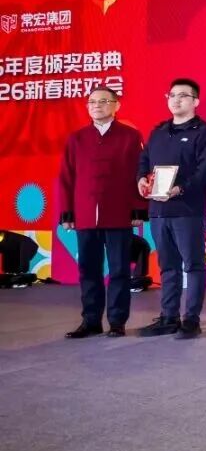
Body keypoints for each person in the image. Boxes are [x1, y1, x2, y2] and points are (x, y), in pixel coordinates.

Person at [59, 87, 147, 338]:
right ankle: (90, 321)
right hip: (85, 215)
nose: (97, 105)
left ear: (116, 106)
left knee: (119, 270)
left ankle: (117, 321)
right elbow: (66, 177)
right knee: (88, 269)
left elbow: (139, 174)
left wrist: (138, 208)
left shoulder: (130, 137)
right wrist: (67, 212)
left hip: (119, 214)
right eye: (92, 102)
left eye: (104, 101)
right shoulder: (77, 138)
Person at [136, 78, 206, 339]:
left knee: (193, 265)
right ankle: (168, 317)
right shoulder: (159, 132)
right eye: (172, 95)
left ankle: (191, 319)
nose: (176, 100)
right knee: (167, 266)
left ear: (195, 101)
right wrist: (140, 179)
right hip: (159, 210)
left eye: (183, 95)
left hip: (187, 210)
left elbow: (205, 169)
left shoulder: (203, 133)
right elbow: (144, 160)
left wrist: (181, 188)